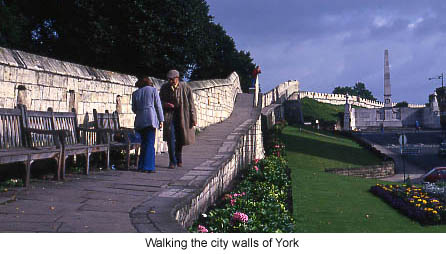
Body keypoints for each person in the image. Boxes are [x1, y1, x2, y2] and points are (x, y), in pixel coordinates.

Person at [160, 69, 197, 168]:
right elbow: (160, 101)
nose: (170, 81)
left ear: (177, 78)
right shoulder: (164, 88)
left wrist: (193, 118)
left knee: (180, 138)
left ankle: (179, 158)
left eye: (172, 79)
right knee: (170, 138)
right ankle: (172, 161)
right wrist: (165, 104)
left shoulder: (185, 87)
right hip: (169, 116)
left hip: (182, 115)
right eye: (169, 79)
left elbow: (191, 104)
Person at [131, 76, 164, 173]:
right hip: (150, 118)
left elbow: (134, 109)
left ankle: (141, 166)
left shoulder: (135, 93)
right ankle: (148, 167)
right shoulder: (153, 90)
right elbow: (158, 105)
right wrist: (161, 119)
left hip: (140, 120)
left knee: (143, 143)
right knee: (150, 143)